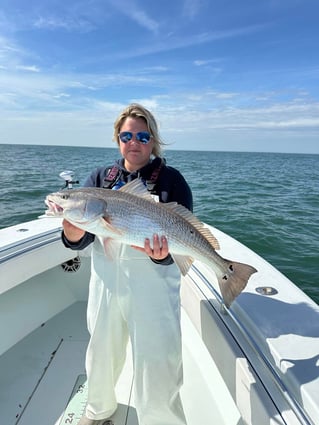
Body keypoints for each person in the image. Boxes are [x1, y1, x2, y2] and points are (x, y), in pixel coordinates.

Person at [62, 103, 193, 425]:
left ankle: (162, 421)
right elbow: (79, 239)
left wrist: (162, 255)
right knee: (102, 351)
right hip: (107, 278)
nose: (134, 141)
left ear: (153, 141)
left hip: (154, 282)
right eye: (126, 135)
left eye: (142, 135)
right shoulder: (99, 178)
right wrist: (71, 231)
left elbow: (184, 237)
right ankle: (98, 410)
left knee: (157, 358)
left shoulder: (172, 181)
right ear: (118, 139)